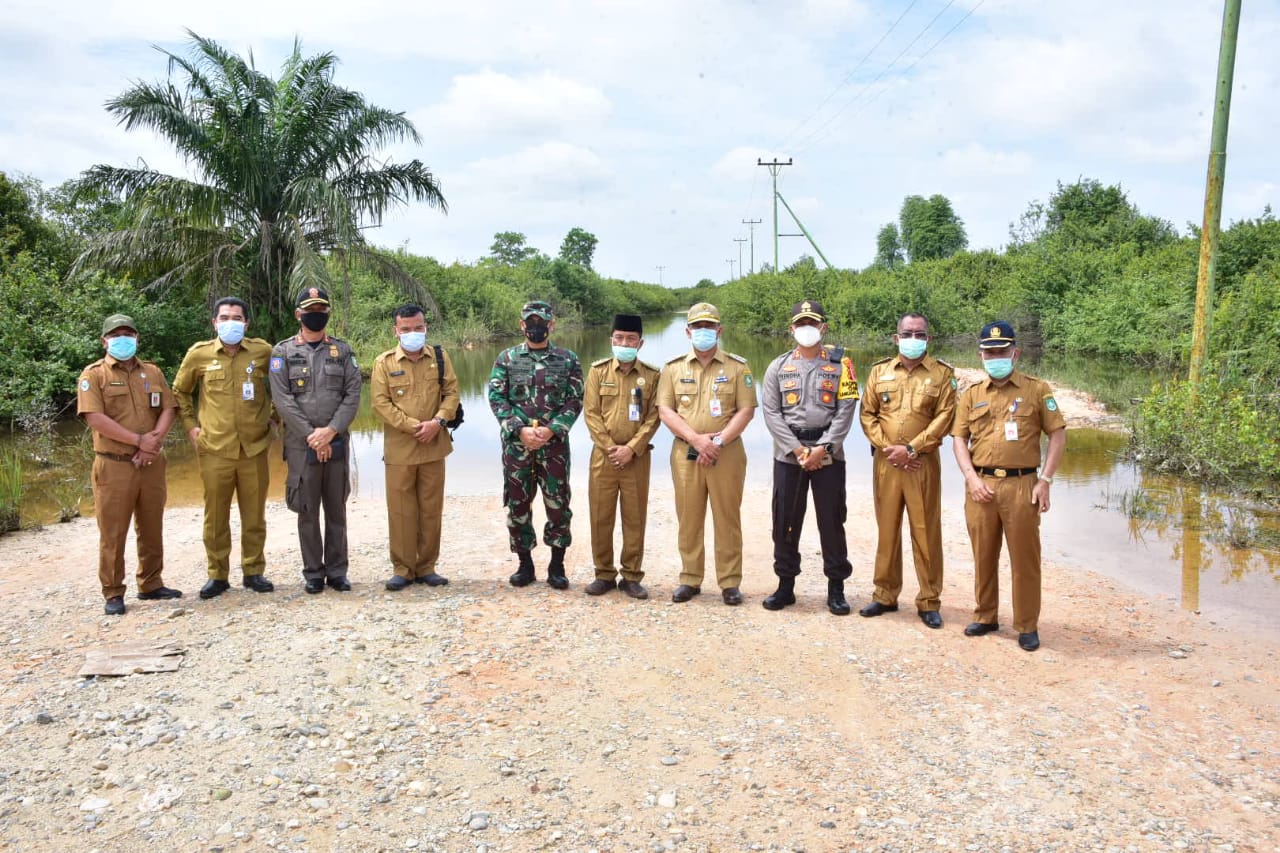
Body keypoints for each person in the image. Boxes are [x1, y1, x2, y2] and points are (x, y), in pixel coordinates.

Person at [952, 320, 1066, 651]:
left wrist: (1045, 480)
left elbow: (1058, 434)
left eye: (1001, 351)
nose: (995, 356)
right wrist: (971, 478)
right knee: (983, 555)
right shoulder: (972, 394)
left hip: (1022, 486)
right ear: (981, 355)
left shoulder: (1037, 390)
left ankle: (1027, 624)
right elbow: (959, 438)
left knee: (1025, 560)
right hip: (981, 485)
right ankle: (985, 615)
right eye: (989, 352)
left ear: (1014, 353)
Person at [760, 300, 860, 615]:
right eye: (801, 323)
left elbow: (846, 411)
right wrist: (798, 449)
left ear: (823, 327)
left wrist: (823, 448)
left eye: (812, 323)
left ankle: (836, 589)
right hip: (790, 456)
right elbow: (771, 412)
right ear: (792, 329)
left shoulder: (843, 365)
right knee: (785, 521)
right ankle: (785, 586)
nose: (807, 329)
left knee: (831, 521)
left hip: (828, 455)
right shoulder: (778, 366)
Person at [76, 313, 181, 615]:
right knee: (113, 531)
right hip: (114, 464)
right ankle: (113, 591)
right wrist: (139, 441)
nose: (123, 339)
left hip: (151, 462)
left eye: (128, 334)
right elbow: (94, 418)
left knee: (151, 525)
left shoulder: (152, 371)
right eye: (116, 335)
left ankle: (151, 582)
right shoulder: (93, 375)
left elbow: (169, 408)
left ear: (137, 338)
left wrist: (153, 444)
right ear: (104, 340)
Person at [173, 297, 277, 600]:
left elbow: (283, 385)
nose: (231, 322)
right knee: (215, 517)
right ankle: (217, 575)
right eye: (225, 317)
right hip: (215, 448)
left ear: (246, 323)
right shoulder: (199, 355)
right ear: (214, 323)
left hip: (254, 448)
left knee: (254, 516)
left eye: (237, 317)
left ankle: (253, 571)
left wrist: (275, 418)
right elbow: (180, 391)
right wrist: (192, 426)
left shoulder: (263, 351)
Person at [858, 312, 957, 628]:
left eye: (920, 334)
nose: (914, 339)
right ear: (895, 337)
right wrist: (889, 448)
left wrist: (912, 448)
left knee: (925, 532)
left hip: (921, 463)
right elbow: (868, 414)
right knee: (886, 530)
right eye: (908, 333)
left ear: (928, 338)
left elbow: (945, 416)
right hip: (886, 463)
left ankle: (929, 600)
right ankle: (885, 594)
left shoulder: (942, 375)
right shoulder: (879, 372)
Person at [656, 302, 757, 605]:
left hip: (726, 453)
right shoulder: (673, 369)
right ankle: (690, 578)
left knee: (727, 517)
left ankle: (729, 582)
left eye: (709, 327)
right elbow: (665, 411)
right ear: (688, 332)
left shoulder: (738, 367)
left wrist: (719, 442)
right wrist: (697, 440)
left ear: (719, 330)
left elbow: (746, 410)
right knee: (689, 517)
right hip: (686, 452)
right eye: (697, 327)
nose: (703, 332)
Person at [269, 287, 362, 594]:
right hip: (301, 444)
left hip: (336, 441)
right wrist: (312, 435)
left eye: (322, 309)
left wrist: (330, 432)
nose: (316, 314)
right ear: (298, 314)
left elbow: (353, 394)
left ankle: (337, 571)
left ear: (328, 313)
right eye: (310, 309)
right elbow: (282, 400)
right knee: (307, 510)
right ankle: (313, 572)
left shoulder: (343, 351)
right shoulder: (282, 353)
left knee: (336, 508)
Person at [487, 300, 584, 589]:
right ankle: (524, 564)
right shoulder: (507, 358)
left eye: (542, 321)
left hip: (553, 448)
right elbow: (497, 398)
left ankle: (557, 564)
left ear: (552, 325)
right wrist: (518, 430)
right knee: (517, 505)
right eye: (531, 321)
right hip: (518, 447)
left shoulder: (568, 360)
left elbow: (575, 399)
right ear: (522, 324)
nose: (536, 326)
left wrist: (554, 429)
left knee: (558, 505)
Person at [370, 304, 460, 591]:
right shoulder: (383, 363)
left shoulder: (440, 358)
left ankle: (427, 567)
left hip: (434, 446)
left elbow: (452, 393)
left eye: (418, 328)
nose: (413, 333)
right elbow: (380, 404)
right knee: (400, 510)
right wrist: (413, 426)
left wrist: (438, 421)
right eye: (406, 329)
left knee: (431, 510)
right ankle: (403, 568)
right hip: (400, 450)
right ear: (396, 331)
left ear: (426, 327)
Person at [582, 314, 662, 599]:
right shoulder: (598, 372)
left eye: (630, 339)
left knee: (634, 517)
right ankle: (603, 574)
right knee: (600, 516)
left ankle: (631, 576)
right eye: (619, 338)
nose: (624, 343)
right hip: (603, 458)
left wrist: (631, 448)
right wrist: (609, 447)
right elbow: (590, 413)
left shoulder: (653, 375)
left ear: (640, 343)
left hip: (636, 458)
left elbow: (655, 416)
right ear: (611, 340)